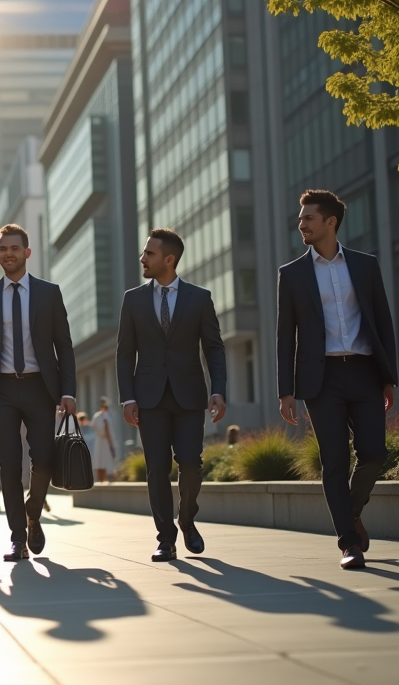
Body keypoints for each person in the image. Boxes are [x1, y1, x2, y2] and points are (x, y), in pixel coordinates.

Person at [276, 190, 398, 570]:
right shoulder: (292, 274)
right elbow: (285, 336)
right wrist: (286, 391)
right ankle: (348, 543)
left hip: (363, 371)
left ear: (330, 222)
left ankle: (351, 510)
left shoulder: (364, 265)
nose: (301, 224)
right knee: (334, 461)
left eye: (308, 218)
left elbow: (382, 322)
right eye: (300, 219)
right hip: (321, 378)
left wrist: (388, 378)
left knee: (375, 454)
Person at [0, 224, 77, 562]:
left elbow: (64, 347)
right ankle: (17, 539)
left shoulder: (48, 293)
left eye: (14, 248)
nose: (8, 253)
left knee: (43, 459)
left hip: (41, 386)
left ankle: (33, 513)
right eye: (3, 249)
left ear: (27, 252)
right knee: (9, 465)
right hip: (2, 391)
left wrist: (68, 391)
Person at [117, 228, 227, 563]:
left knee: (191, 465)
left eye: (149, 254)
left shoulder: (199, 298)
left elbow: (214, 348)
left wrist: (219, 390)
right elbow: (125, 352)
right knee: (157, 469)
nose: (142, 259)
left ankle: (187, 519)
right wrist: (128, 397)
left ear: (169, 259)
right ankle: (165, 539)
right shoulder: (133, 299)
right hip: (149, 398)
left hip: (190, 396)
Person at [90, 398, 117, 482]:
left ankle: (106, 478)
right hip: (100, 440)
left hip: (107, 441)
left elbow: (109, 429)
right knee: (99, 459)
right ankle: (100, 479)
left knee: (106, 459)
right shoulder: (97, 416)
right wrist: (102, 433)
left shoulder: (108, 416)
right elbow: (94, 426)